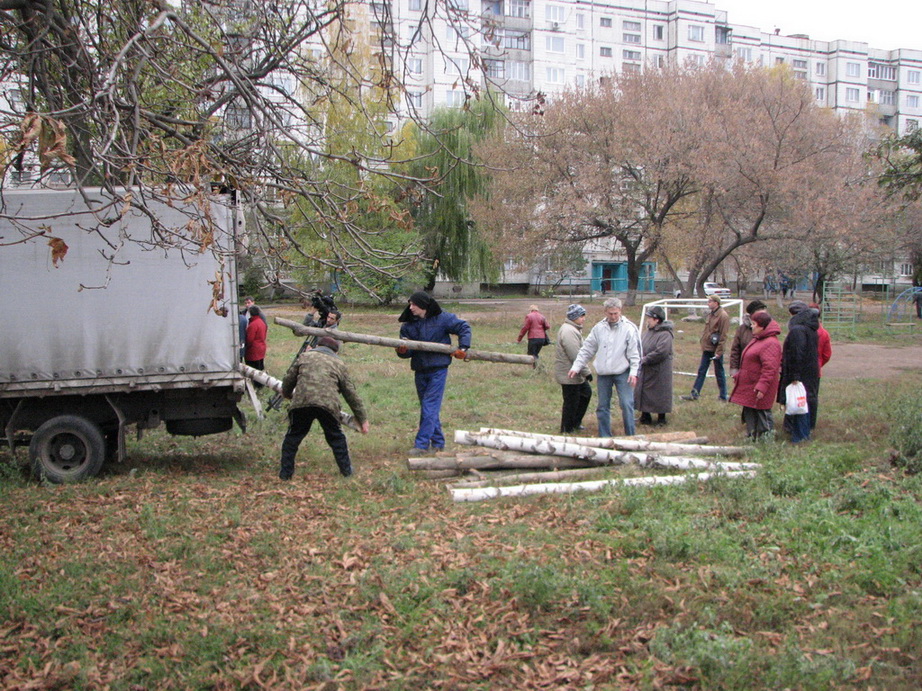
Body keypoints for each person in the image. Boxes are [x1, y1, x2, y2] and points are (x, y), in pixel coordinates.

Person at [278, 337, 369, 480]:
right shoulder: (339, 363)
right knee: (336, 438)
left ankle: (285, 474)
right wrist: (363, 419)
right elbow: (350, 394)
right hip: (328, 405)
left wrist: (287, 393)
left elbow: (289, 379)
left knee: (293, 437)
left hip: (302, 402)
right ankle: (347, 472)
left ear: (317, 345)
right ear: (335, 351)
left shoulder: (304, 357)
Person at [397, 291, 472, 454]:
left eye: (414, 304)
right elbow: (407, 353)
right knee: (428, 407)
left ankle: (421, 445)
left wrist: (463, 347)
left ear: (423, 305)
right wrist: (403, 350)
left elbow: (463, 327)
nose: (410, 308)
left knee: (429, 406)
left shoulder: (443, 318)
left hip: (438, 369)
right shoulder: (408, 325)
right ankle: (438, 442)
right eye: (410, 304)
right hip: (420, 370)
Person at [569, 297, 642, 437]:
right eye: (610, 313)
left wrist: (634, 372)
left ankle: (631, 436)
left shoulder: (629, 328)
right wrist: (576, 366)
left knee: (626, 404)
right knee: (602, 406)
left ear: (620, 311)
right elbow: (587, 348)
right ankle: (604, 437)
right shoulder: (599, 328)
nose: (613, 316)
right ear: (605, 312)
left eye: (616, 313)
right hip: (604, 373)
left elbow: (635, 353)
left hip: (623, 372)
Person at [729, 311, 782, 439]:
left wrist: (762, 386)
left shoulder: (771, 343)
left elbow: (770, 368)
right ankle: (752, 435)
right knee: (750, 410)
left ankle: (766, 439)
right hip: (750, 384)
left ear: (762, 326)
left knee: (762, 411)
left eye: (754, 324)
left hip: (758, 386)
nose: (751, 326)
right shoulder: (758, 339)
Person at [777, 300, 820, 444]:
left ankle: (799, 436)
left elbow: (797, 353)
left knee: (798, 403)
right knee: (804, 403)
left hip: (800, 375)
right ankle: (804, 433)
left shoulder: (797, 331)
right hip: (809, 373)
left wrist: (794, 376)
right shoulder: (811, 329)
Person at [682, 295, 730, 401]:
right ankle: (695, 393)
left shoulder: (723, 316)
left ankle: (723, 395)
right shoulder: (710, 314)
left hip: (716, 349)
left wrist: (719, 351)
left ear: (716, 303)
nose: (708, 303)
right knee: (702, 371)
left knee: (719, 372)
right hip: (707, 347)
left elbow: (723, 335)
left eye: (710, 301)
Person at [554, 304, 592, 434]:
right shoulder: (569, 331)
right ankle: (566, 428)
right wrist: (586, 372)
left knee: (585, 394)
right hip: (569, 374)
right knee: (571, 402)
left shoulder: (573, 329)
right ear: (574, 317)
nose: (584, 318)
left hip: (574, 373)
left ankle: (575, 423)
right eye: (581, 316)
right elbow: (575, 355)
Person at [635, 306, 673, 426]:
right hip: (646, 369)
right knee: (644, 392)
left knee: (659, 394)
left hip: (659, 370)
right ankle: (645, 416)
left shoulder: (665, 334)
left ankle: (661, 418)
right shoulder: (649, 332)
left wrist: (646, 359)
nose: (648, 320)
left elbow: (661, 352)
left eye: (650, 318)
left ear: (657, 320)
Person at [728, 300, 767, 378]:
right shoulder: (742, 329)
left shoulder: (768, 329)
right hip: (745, 371)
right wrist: (734, 370)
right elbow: (735, 350)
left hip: (762, 372)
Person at [810, 302, 832, 431]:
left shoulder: (801, 330)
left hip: (804, 369)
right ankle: (811, 425)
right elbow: (827, 354)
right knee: (813, 397)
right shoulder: (823, 333)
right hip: (816, 370)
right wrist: (818, 363)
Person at [244, 305, 268, 377]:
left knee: (253, 369)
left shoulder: (253, 324)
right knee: (260, 367)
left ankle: (256, 383)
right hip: (261, 348)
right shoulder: (261, 322)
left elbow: (250, 339)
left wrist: (246, 347)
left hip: (253, 350)